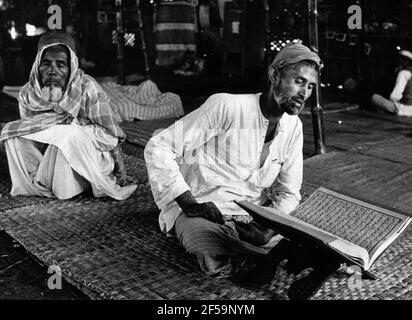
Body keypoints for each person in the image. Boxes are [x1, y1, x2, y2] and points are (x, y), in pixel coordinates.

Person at [144, 43, 322, 277]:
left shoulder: (293, 127)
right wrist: (188, 203)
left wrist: (267, 231)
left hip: (252, 215)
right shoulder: (227, 106)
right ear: (274, 74)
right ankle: (271, 256)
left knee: (313, 231)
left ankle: (257, 251)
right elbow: (159, 146)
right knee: (201, 239)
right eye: (299, 81)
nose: (304, 93)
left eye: (310, 86)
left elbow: (289, 194)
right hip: (205, 210)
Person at [0, 31, 136, 200]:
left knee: (66, 136)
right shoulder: (28, 93)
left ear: (71, 66)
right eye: (46, 63)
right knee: (14, 134)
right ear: (37, 65)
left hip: (87, 156)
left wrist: (74, 129)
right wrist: (53, 132)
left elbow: (110, 136)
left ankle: (68, 187)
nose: (52, 71)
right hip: (49, 153)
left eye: (61, 65)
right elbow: (33, 134)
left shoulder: (87, 87)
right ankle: (40, 182)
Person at [371, 49, 412, 117]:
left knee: (374, 97)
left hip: (405, 109)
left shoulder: (403, 73)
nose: (400, 61)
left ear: (407, 62)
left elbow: (395, 97)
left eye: (403, 59)